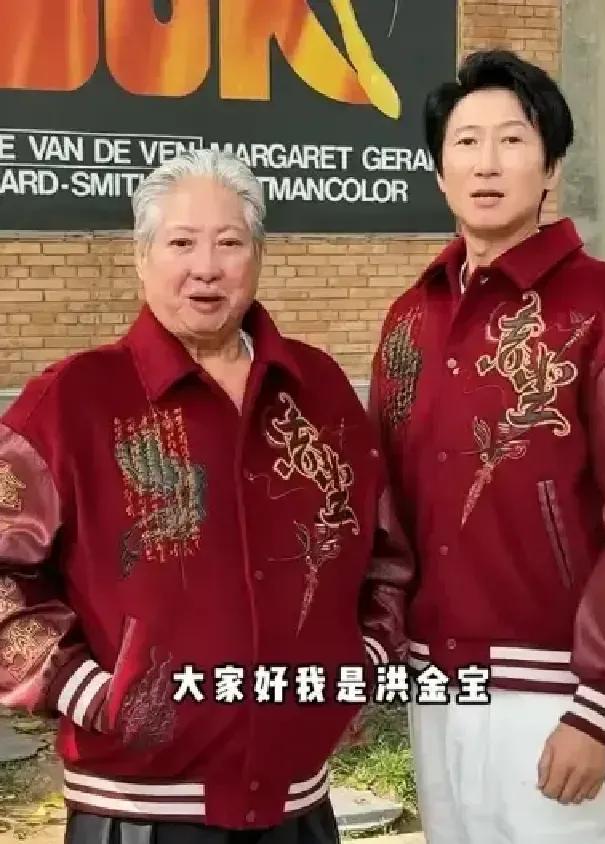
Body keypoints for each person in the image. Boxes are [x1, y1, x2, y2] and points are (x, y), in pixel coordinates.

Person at [0, 148, 412, 843]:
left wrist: (363, 660)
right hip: (137, 808)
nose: (207, 268)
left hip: (298, 803)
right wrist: (89, 691)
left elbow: (386, 551)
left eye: (229, 243)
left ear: (258, 255)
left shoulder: (318, 391)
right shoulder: (71, 400)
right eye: (181, 243)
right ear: (142, 257)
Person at [369, 49, 605, 843]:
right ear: (438, 171)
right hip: (436, 684)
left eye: (512, 140)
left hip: (556, 693)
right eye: (466, 142)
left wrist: (600, 705)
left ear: (551, 167)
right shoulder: (409, 320)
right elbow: (386, 508)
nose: (487, 163)